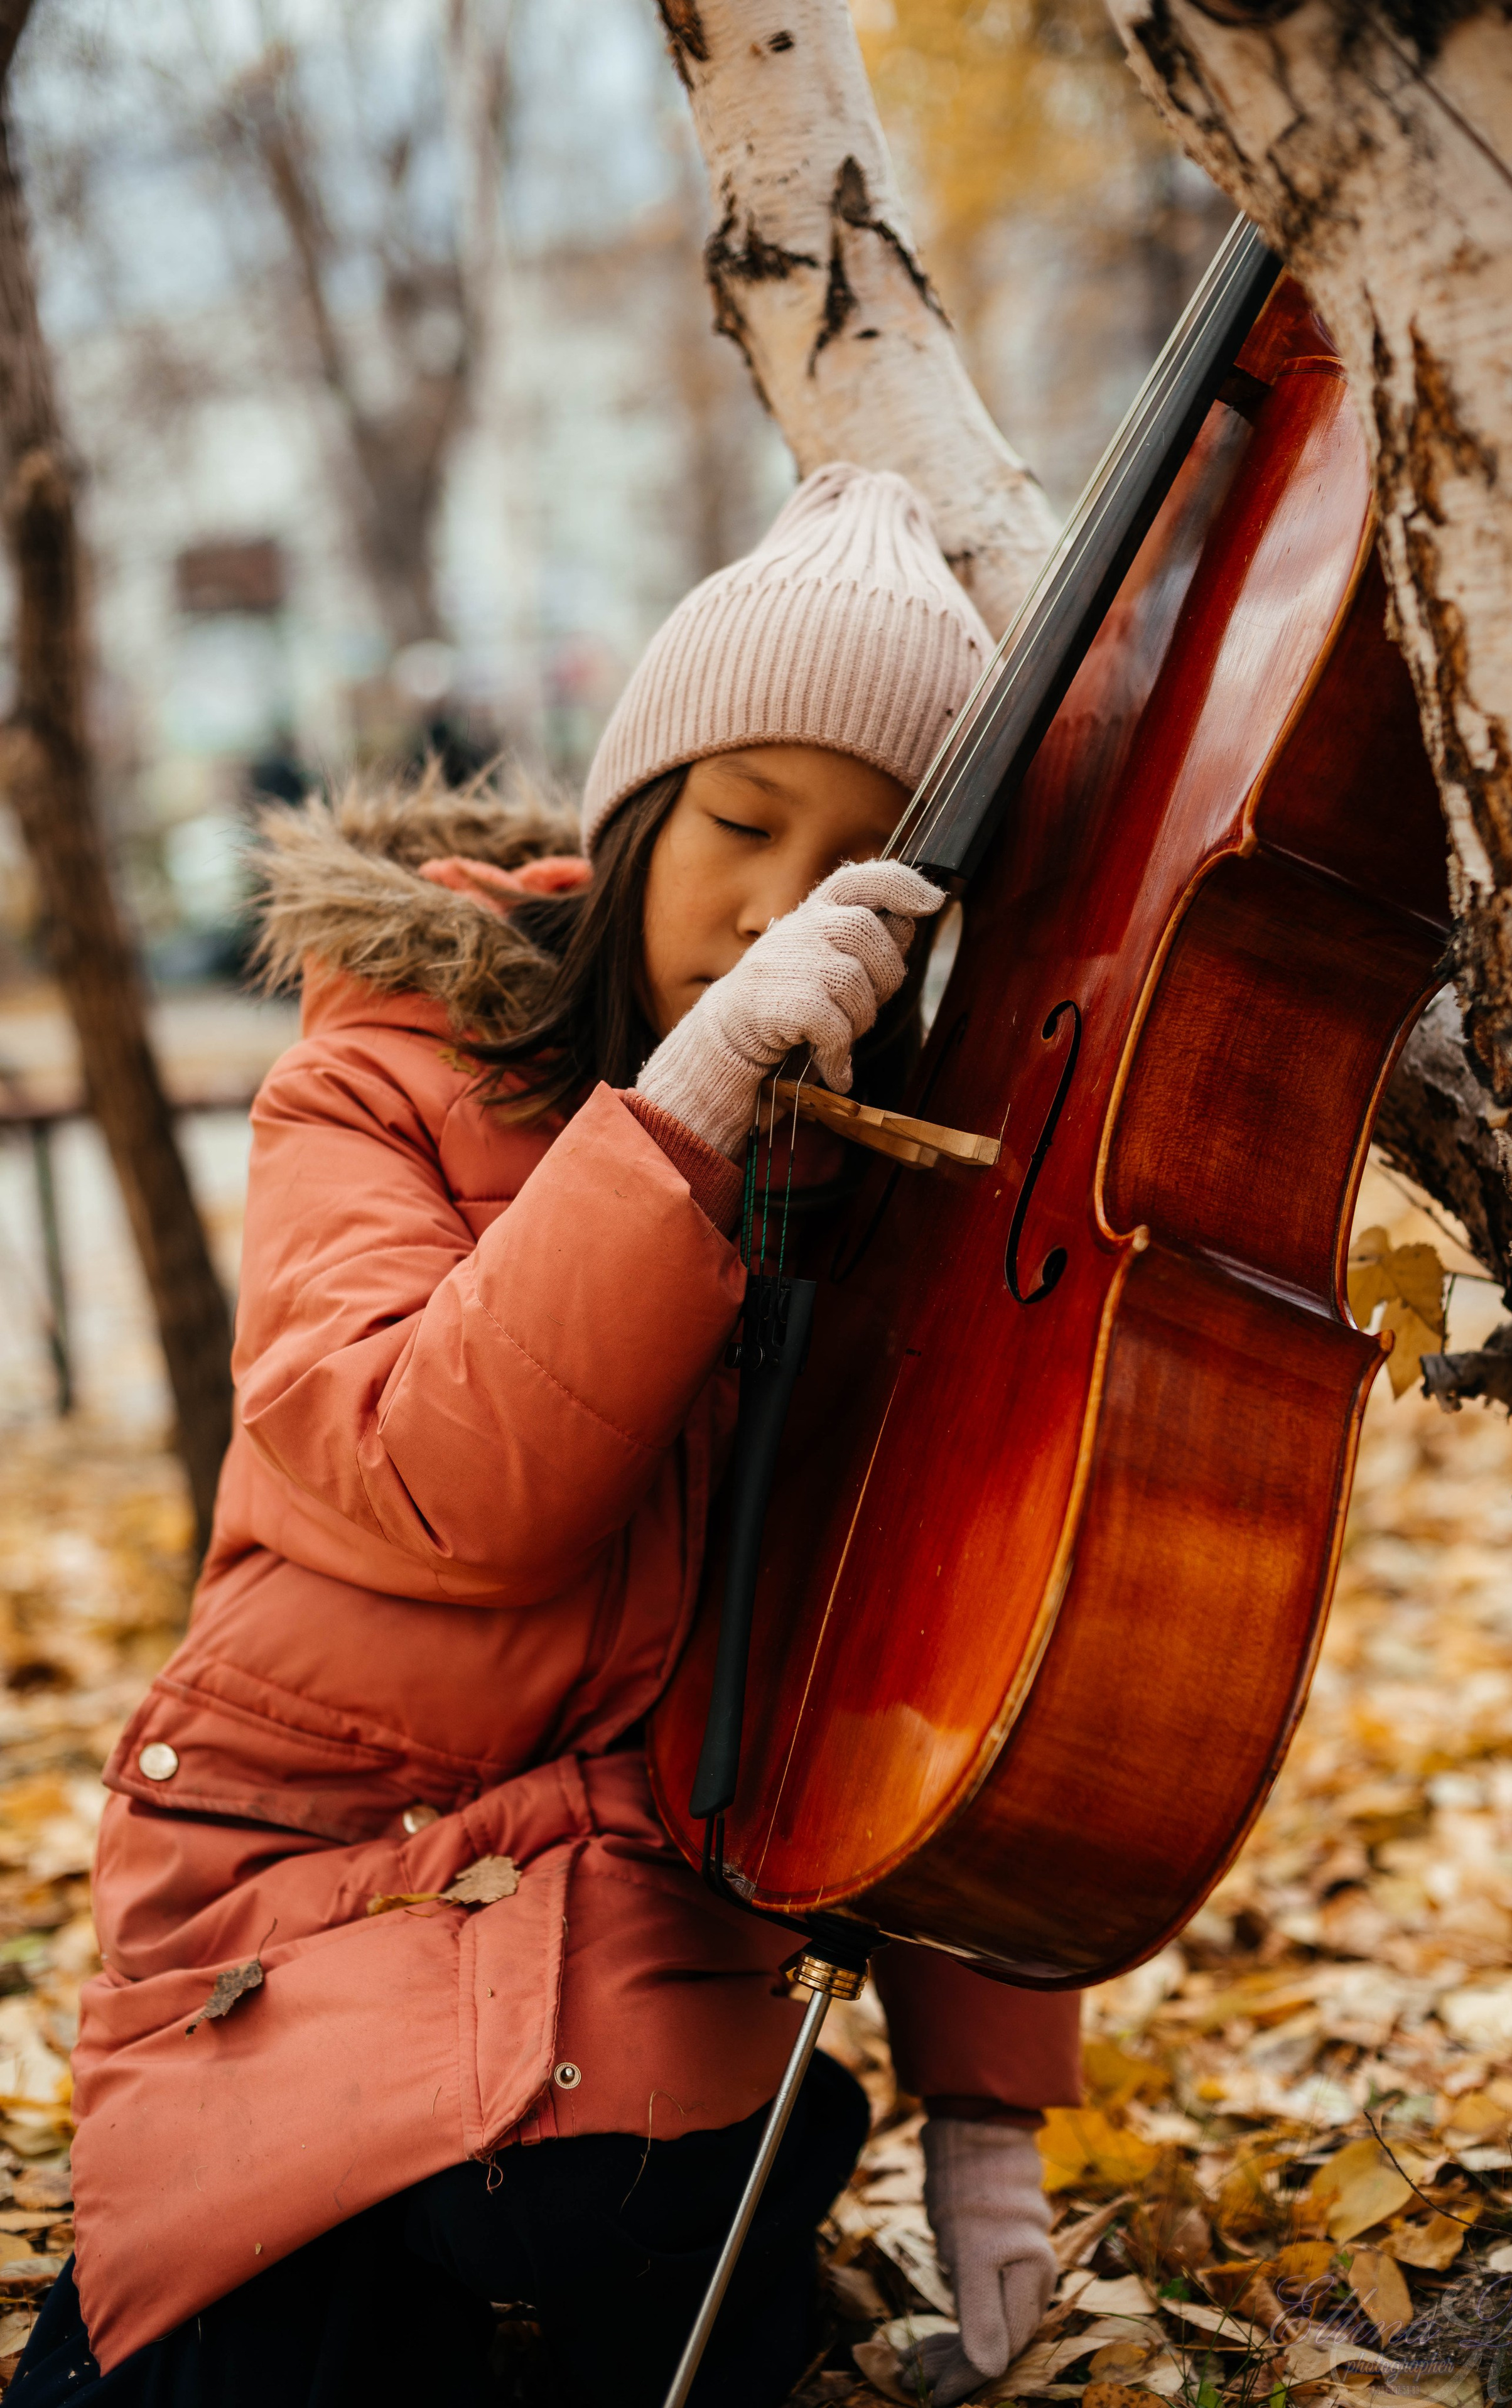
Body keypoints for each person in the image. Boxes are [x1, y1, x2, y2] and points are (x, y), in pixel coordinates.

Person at [12, 466, 1081, 2408]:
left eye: (860, 873)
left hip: (626, 1927)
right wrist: (678, 1113)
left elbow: (943, 1643)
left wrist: (986, 2107)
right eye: (741, 825)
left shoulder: (892, 1187)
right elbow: (444, 1482)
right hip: (299, 1878)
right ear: (640, 811)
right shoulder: (375, 1078)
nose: (776, 909)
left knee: (639, 2236)